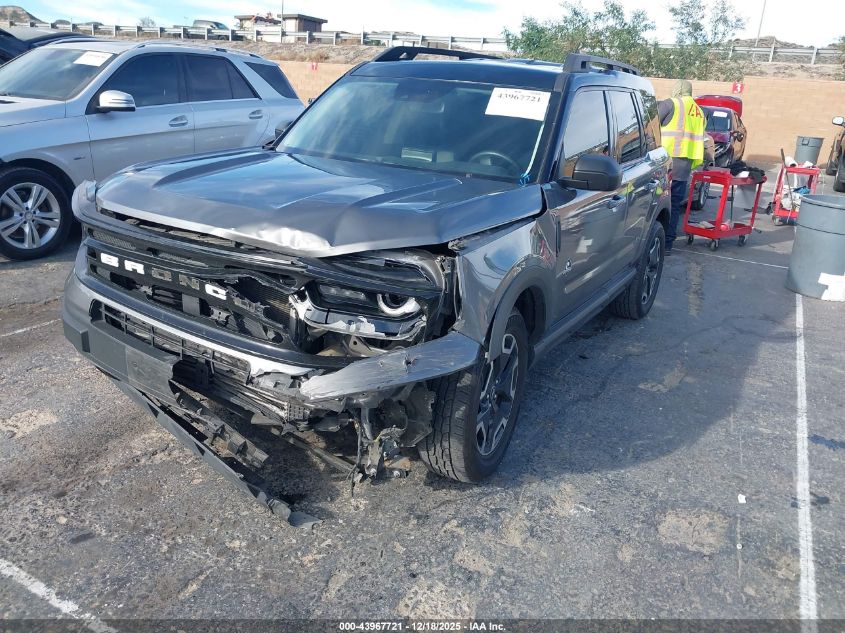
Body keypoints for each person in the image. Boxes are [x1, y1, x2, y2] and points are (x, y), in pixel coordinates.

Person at [658, 80, 706, 254]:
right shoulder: (699, 111)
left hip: (666, 162)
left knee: (656, 203)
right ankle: (667, 244)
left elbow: (650, 126)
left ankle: (654, 240)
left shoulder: (671, 104)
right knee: (674, 204)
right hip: (685, 165)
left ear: (677, 89)